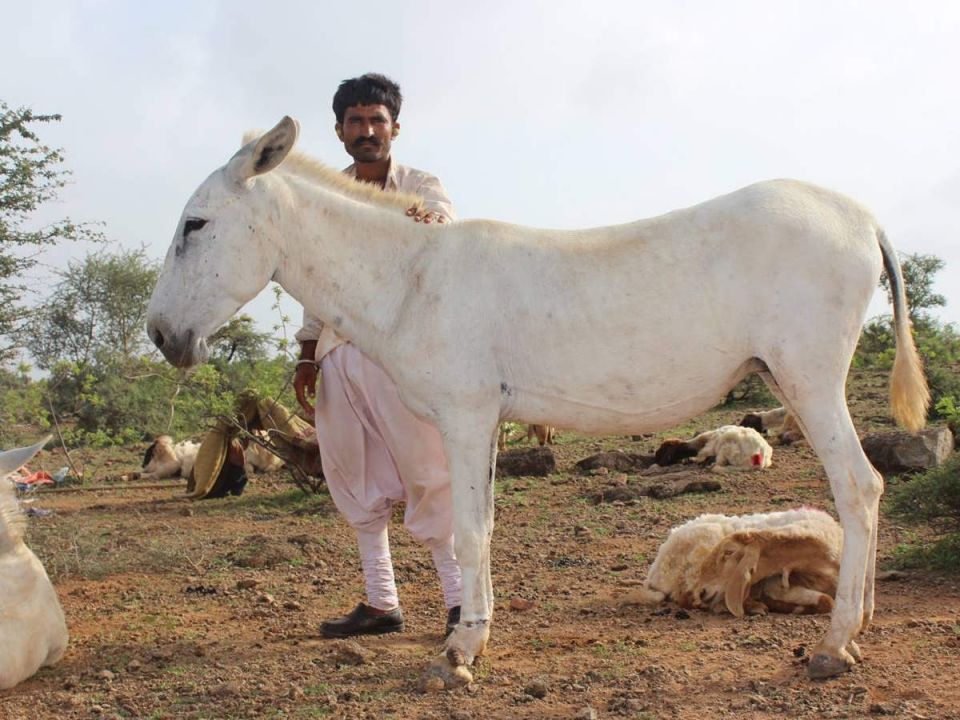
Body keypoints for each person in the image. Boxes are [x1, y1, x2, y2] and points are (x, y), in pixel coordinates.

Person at [293, 73, 461, 638]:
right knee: (354, 478)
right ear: (340, 131)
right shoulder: (326, 196)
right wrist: (307, 354)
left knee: (429, 472)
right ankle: (381, 602)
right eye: (355, 122)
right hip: (340, 353)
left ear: (394, 128)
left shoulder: (420, 185)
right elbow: (315, 280)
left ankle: (462, 603)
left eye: (376, 121)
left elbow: (442, 233)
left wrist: (423, 222)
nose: (366, 130)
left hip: (403, 354)